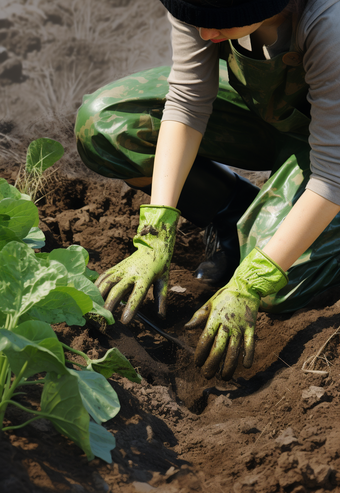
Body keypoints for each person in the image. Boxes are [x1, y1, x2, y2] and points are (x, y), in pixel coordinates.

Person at [75, 0, 340, 380]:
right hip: (269, 112)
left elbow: (333, 172)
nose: (203, 35)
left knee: (278, 286)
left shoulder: (329, 25)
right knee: (107, 127)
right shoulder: (200, 6)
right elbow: (186, 102)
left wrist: (251, 281)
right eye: (194, 21)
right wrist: (156, 230)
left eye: (216, 26)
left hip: (331, 148)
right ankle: (233, 211)